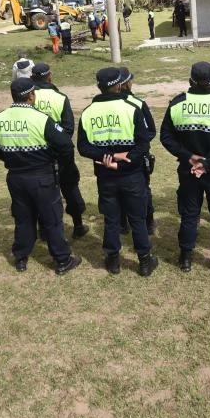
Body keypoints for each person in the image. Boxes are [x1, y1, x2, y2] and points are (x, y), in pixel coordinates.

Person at [0, 78, 82, 274]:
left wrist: (8, 158)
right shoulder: (40, 119)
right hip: (42, 176)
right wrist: (56, 161)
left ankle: (21, 257)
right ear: (31, 96)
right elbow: (65, 144)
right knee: (52, 219)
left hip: (15, 177)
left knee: (23, 218)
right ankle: (63, 260)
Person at [160, 61, 210, 274]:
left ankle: (185, 259)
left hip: (189, 169)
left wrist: (189, 157)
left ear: (190, 81)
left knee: (189, 214)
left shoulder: (177, 103)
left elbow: (166, 137)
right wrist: (208, 163)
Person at [77, 67, 158, 276]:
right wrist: (121, 159)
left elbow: (83, 148)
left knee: (111, 219)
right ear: (119, 85)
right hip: (131, 174)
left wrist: (107, 158)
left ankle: (113, 261)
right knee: (137, 219)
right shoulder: (131, 108)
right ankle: (145, 262)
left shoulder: (88, 112)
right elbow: (143, 144)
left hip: (105, 176)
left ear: (99, 87)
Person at [30, 63, 89, 238]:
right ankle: (78, 225)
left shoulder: (28, 96)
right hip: (61, 153)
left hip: (37, 154)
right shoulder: (60, 97)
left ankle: (43, 229)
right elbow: (69, 128)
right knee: (70, 187)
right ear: (49, 76)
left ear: (33, 77)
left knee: (42, 192)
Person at [119, 66, 157, 235]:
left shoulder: (100, 106)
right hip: (136, 157)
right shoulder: (138, 104)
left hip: (110, 159)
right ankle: (148, 223)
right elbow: (151, 131)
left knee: (115, 192)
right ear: (127, 83)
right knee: (143, 191)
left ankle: (122, 224)